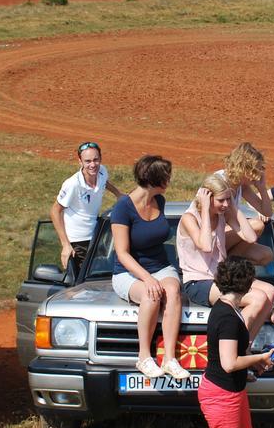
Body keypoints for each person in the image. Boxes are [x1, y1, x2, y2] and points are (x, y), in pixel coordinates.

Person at [193, 258, 274, 428]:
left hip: (232, 389)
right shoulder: (228, 318)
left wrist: (249, 371)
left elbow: (231, 358)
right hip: (221, 393)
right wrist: (259, 358)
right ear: (247, 284)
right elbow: (229, 363)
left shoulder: (227, 308)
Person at [110, 154, 190, 381]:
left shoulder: (160, 201)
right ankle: (144, 356)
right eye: (167, 176)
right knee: (151, 295)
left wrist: (156, 276)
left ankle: (169, 359)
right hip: (129, 272)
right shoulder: (123, 208)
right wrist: (147, 278)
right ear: (155, 179)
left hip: (161, 266)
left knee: (173, 292)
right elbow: (122, 253)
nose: (170, 180)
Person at [177, 173, 274, 330]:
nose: (225, 204)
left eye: (228, 199)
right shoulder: (189, 218)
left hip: (221, 277)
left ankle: (246, 345)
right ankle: (233, 340)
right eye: (221, 200)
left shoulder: (224, 214)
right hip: (198, 282)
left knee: (270, 291)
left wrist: (235, 209)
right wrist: (205, 210)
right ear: (208, 198)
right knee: (257, 298)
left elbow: (250, 237)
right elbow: (206, 246)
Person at [51, 140, 123, 277]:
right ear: (80, 161)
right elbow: (55, 211)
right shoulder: (72, 184)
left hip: (97, 236)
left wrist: (118, 194)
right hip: (78, 241)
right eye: (88, 161)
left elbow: (104, 182)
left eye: (96, 160)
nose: (92, 165)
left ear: (100, 158)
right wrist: (66, 245)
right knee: (84, 283)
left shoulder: (102, 171)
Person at [217, 142, 274, 266]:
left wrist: (262, 189)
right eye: (254, 170)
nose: (257, 175)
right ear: (243, 168)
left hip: (224, 235)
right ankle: (227, 266)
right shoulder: (220, 182)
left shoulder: (242, 185)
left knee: (266, 255)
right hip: (210, 235)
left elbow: (267, 212)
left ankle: (229, 264)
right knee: (257, 225)